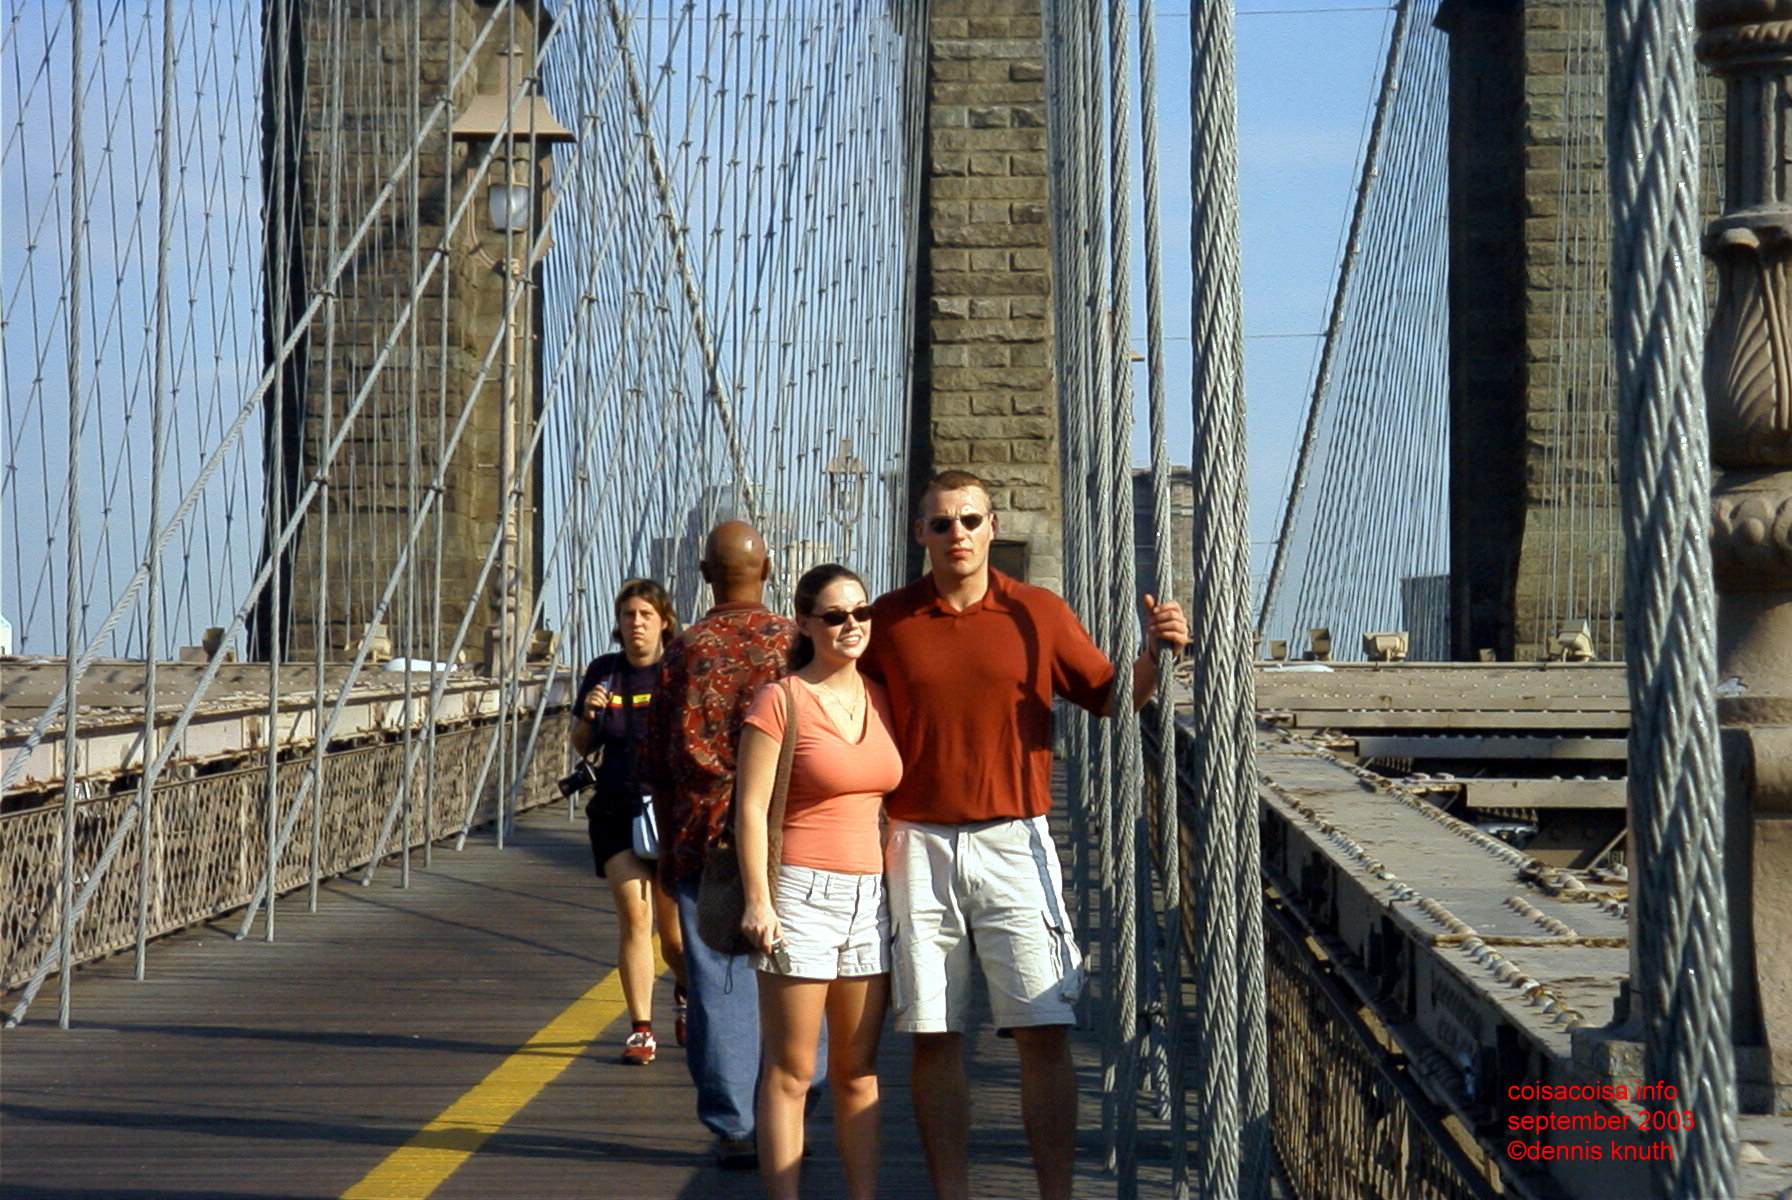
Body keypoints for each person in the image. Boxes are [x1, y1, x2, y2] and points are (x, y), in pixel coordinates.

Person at [859, 469, 1189, 1200]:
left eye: (970, 521)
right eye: (940, 524)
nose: (957, 536)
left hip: (1015, 841)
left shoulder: (1037, 612)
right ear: (920, 534)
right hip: (916, 843)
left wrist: (1155, 653)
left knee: (1043, 1030)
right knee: (933, 1034)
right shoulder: (884, 622)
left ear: (992, 527)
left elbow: (1109, 698)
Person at [737, 564, 901, 1200]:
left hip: (871, 897)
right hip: (800, 893)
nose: (852, 626)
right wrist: (759, 899)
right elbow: (750, 808)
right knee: (793, 1071)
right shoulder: (780, 699)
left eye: (861, 613)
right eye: (835, 616)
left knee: (859, 1072)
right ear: (805, 624)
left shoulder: (884, 697)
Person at [644, 520, 796, 1169]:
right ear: (768, 570)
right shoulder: (797, 643)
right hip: (789, 837)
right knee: (795, 974)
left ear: (705, 575)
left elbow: (653, 755)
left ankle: (733, 1123)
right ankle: (793, 1105)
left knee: (718, 983)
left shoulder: (684, 651)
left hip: (699, 837)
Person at [569, 579, 688, 1066]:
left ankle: (685, 987)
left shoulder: (677, 670)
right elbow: (581, 745)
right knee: (635, 920)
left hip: (667, 810)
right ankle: (641, 1028)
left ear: (663, 621)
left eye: (645, 614)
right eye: (627, 615)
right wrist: (589, 716)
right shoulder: (604, 672)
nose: (635, 623)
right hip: (616, 809)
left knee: (674, 935)